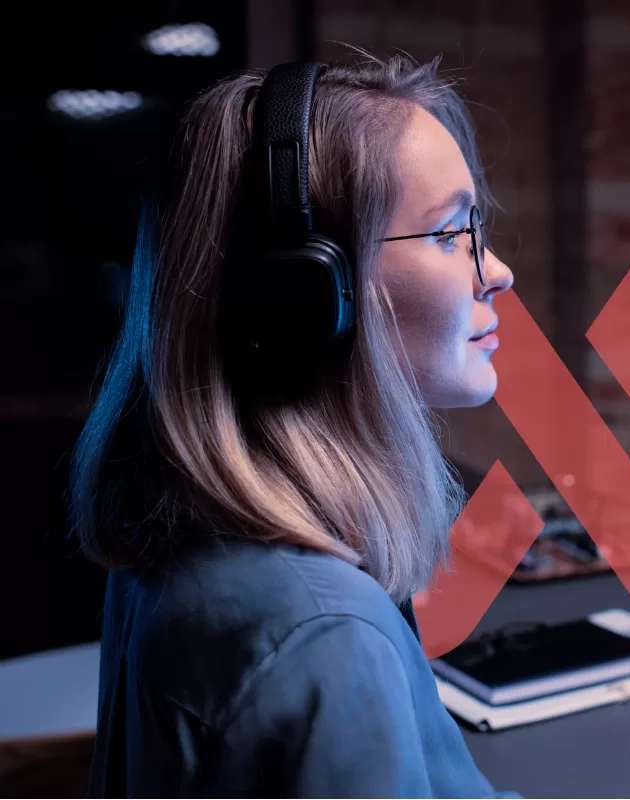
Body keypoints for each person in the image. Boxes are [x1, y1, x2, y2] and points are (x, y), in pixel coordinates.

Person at [68, 52, 519, 797]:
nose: (494, 270)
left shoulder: (192, 532)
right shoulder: (323, 639)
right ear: (307, 293)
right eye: (450, 234)